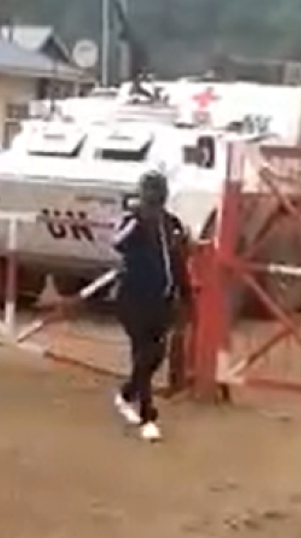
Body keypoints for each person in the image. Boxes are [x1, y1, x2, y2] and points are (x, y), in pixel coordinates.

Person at [109, 170, 191, 442]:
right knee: (144, 353)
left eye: (159, 191)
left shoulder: (172, 224)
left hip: (162, 300)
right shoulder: (133, 221)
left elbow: (179, 264)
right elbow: (117, 243)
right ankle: (147, 416)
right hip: (132, 298)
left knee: (156, 355)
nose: (156, 197)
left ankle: (125, 395)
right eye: (151, 191)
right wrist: (139, 222)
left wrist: (187, 297)